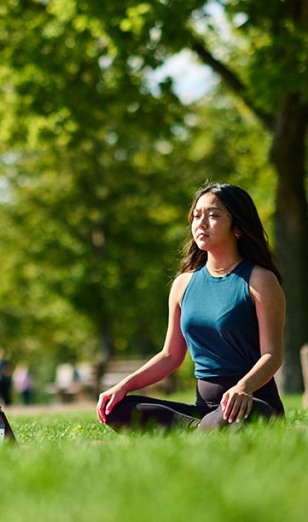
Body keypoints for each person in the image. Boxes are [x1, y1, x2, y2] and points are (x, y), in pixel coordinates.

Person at [96, 183, 286, 431]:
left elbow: (272, 355)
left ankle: (200, 429)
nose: (201, 223)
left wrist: (244, 387)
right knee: (117, 410)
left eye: (214, 215)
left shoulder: (260, 280)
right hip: (204, 409)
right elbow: (170, 356)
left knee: (232, 417)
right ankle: (201, 429)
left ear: (237, 227)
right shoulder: (183, 284)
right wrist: (124, 386)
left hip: (252, 403)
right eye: (197, 215)